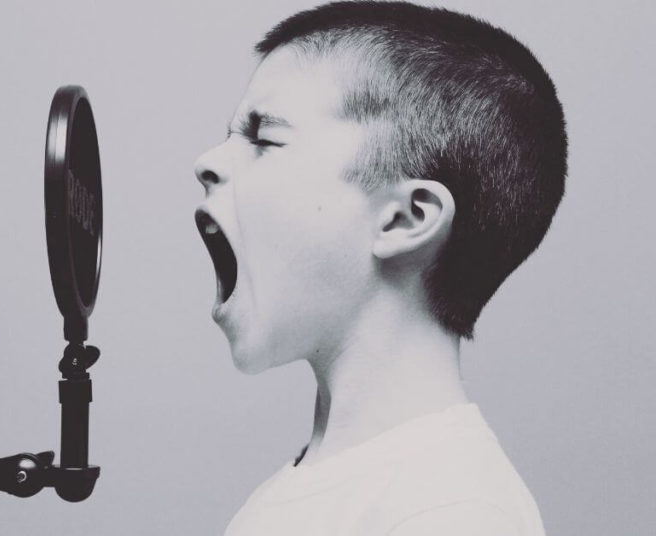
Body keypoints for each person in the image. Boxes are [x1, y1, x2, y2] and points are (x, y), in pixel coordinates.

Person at [192, 2, 565, 534]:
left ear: (404, 218)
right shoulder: (316, 487)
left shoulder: (450, 513)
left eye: (264, 139)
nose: (208, 161)